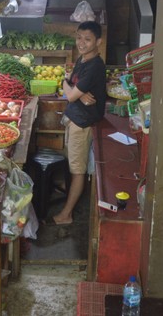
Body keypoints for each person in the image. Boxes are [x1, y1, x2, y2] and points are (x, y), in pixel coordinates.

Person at [50, 20, 106, 225]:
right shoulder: (82, 60)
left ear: (98, 41)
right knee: (73, 163)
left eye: (88, 39)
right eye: (79, 37)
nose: (81, 43)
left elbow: (70, 92)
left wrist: (73, 93)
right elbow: (70, 85)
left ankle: (66, 214)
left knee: (78, 170)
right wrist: (75, 92)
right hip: (75, 119)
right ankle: (69, 192)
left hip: (82, 124)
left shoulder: (94, 66)